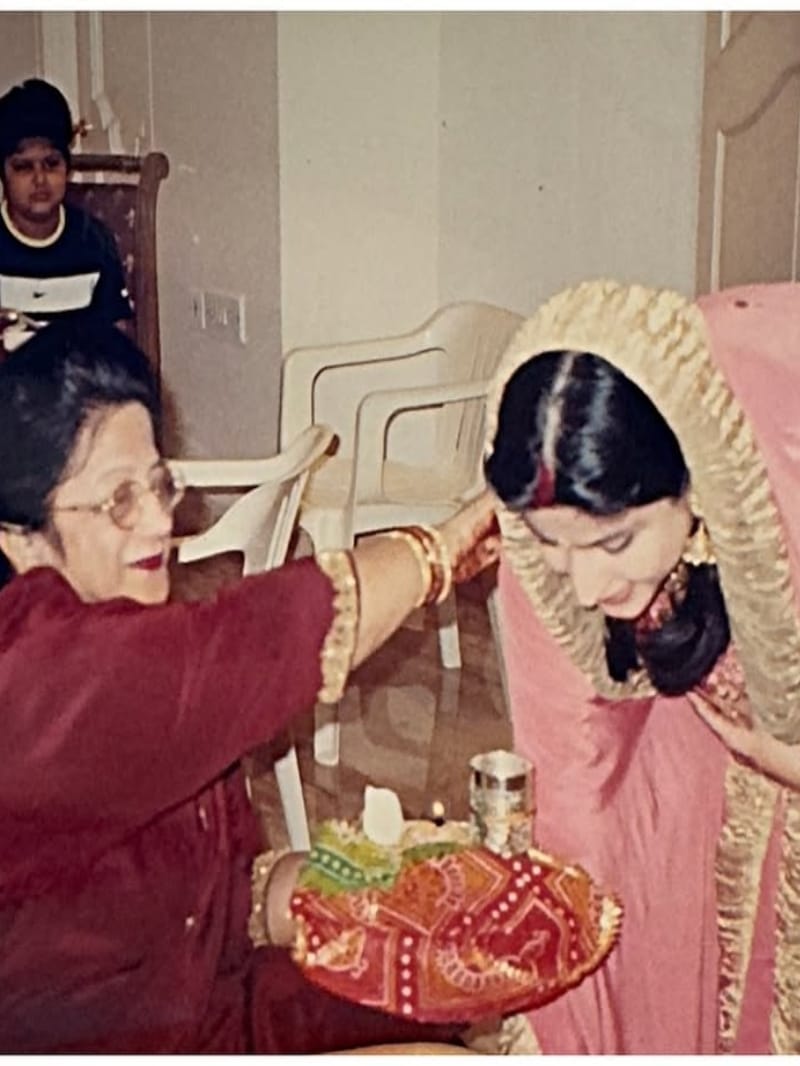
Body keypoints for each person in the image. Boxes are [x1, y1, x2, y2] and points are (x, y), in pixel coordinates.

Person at [0, 316, 499, 1053]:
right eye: (118, 501)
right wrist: (439, 551)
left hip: (212, 1006)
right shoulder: (36, 678)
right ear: (20, 541)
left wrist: (382, 889)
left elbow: (242, 901)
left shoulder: (149, 639)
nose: (159, 523)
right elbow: (260, 642)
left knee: (450, 985)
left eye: (159, 485)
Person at [483, 278, 800, 1054]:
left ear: (698, 480)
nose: (587, 587)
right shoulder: (555, 547)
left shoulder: (774, 476)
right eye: (553, 545)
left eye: (615, 541)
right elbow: (575, 785)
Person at [0, 78, 132, 351]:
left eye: (51, 164)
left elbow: (117, 345)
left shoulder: (94, 241)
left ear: (67, 168)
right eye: (23, 167)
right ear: (3, 174)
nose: (40, 180)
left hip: (75, 376)